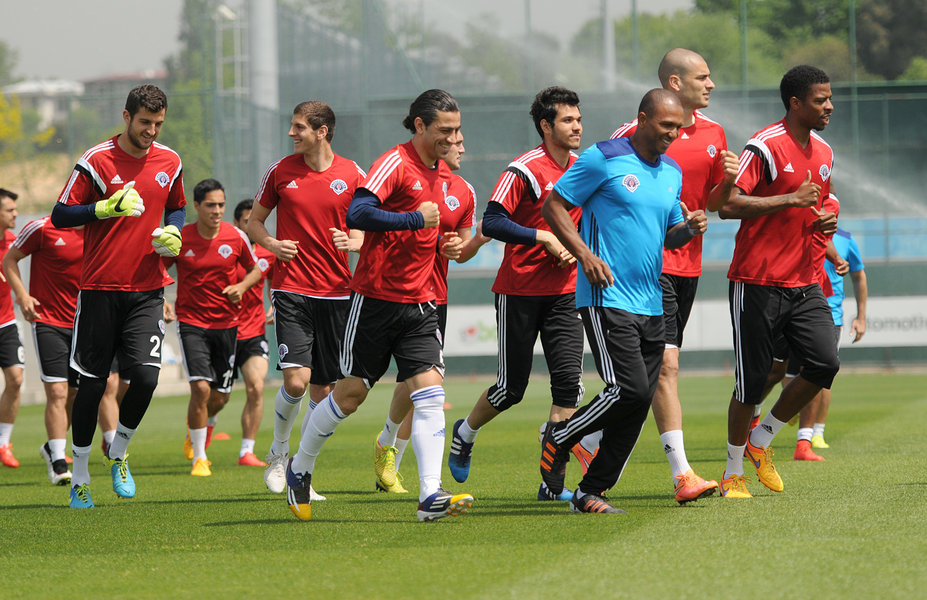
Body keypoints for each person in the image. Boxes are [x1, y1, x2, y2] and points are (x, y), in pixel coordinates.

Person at [284, 89, 473, 522]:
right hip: (374, 301)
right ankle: (300, 467)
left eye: (457, 130)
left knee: (430, 393)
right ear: (420, 126)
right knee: (349, 396)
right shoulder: (395, 162)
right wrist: (414, 219)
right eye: (445, 130)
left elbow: (442, 235)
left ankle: (430, 496)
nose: (452, 138)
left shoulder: (447, 178)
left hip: (421, 304)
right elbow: (358, 213)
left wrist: (449, 245)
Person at [539, 89, 707, 514]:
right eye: (666, 125)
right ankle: (561, 436)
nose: (673, 133)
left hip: (652, 301)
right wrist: (585, 255)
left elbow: (670, 236)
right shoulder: (604, 157)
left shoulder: (671, 171)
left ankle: (590, 491)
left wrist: (690, 228)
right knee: (627, 389)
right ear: (643, 119)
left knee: (637, 402)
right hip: (605, 294)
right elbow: (553, 206)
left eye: (678, 127)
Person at [584, 48, 737, 503]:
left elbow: (714, 205)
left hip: (688, 262)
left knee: (653, 374)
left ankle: (586, 439)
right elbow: (600, 190)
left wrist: (728, 181)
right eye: (702, 77)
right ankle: (682, 474)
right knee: (666, 367)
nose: (710, 85)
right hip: (649, 270)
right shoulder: (629, 135)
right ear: (675, 82)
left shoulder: (715, 133)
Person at [445, 86, 584, 502]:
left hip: (566, 293)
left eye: (578, 119)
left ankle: (551, 483)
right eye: (567, 120)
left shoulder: (583, 168)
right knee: (511, 389)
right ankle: (465, 432)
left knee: (568, 387)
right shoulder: (524, 169)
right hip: (519, 291)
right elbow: (493, 221)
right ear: (546, 126)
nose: (577, 126)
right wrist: (544, 237)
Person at [51, 83, 186, 509]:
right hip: (99, 291)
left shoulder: (171, 160)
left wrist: (175, 229)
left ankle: (119, 452)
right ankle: (81, 476)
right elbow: (60, 214)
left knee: (145, 378)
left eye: (158, 123)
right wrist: (103, 208)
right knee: (91, 387)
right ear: (126, 117)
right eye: (145, 122)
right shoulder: (96, 159)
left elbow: (177, 205)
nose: (152, 131)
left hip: (148, 290)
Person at [715, 65, 839, 498]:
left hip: (805, 282)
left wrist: (827, 217)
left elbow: (825, 198)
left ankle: (761, 439)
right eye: (821, 100)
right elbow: (727, 205)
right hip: (756, 281)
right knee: (751, 382)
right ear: (795, 103)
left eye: (829, 98)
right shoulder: (764, 145)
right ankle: (733, 472)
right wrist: (790, 199)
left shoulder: (824, 151)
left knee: (824, 364)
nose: (829, 106)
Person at [247, 101, 365, 502]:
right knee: (296, 381)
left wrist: (355, 241)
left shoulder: (353, 174)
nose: (291, 133)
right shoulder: (280, 171)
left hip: (337, 293)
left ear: (322, 131)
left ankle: (301, 470)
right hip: (291, 289)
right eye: (292, 126)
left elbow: (368, 227)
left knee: (324, 390)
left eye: (299, 127)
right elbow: (255, 222)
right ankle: (278, 453)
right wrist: (271, 244)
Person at [368, 138, 489, 494]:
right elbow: (370, 214)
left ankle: (398, 462)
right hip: (390, 292)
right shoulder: (407, 175)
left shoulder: (465, 191)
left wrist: (474, 242)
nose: (461, 147)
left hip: (435, 297)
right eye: (455, 140)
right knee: (355, 388)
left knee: (422, 386)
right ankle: (381, 446)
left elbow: (460, 252)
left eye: (463, 140)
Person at [169, 178, 260, 476]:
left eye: (221, 205)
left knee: (220, 397)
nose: (217, 210)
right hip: (191, 323)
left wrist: (241, 287)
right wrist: (162, 301)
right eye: (210, 205)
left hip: (227, 324)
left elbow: (255, 269)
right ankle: (200, 457)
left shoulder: (236, 237)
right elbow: (157, 270)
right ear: (196, 206)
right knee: (200, 387)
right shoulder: (181, 238)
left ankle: (196, 424)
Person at [2, 215, 82, 483]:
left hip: (85, 324)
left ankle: (51, 447)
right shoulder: (42, 228)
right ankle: (58, 461)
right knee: (57, 391)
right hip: (48, 321)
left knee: (74, 393)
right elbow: (9, 259)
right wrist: (23, 296)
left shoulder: (102, 231)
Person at [812, 223, 867, 448]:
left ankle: (817, 432)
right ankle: (792, 407)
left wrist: (861, 317)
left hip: (831, 315)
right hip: (795, 311)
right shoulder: (800, 230)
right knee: (783, 371)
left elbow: (859, 276)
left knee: (824, 372)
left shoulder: (845, 238)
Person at [230, 199, 275, 467]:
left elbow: (275, 282)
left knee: (256, 387)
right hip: (222, 330)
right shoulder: (225, 248)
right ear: (236, 223)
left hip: (253, 330)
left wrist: (275, 306)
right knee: (214, 397)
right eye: (246, 221)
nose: (251, 226)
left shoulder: (268, 253)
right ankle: (203, 427)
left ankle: (246, 451)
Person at [0, 189, 25, 469]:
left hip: (6, 322)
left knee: (16, 380)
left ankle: (3, 443)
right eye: (9, 210)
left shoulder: (13, 242)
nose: (15, 214)